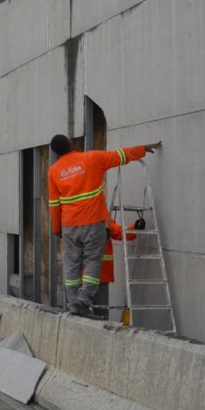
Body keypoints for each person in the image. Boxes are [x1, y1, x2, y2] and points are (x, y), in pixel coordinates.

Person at [48, 134, 161, 315]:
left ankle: (72, 304)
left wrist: (56, 228)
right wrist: (143, 148)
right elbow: (121, 155)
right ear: (71, 143)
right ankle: (83, 301)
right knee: (93, 261)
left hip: (69, 226)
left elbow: (53, 204)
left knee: (71, 265)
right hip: (93, 222)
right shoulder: (92, 158)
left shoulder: (53, 171)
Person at [91, 218, 142, 319]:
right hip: (94, 276)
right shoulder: (99, 216)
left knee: (100, 316)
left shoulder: (102, 217)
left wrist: (135, 228)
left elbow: (119, 231)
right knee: (98, 317)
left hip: (99, 277)